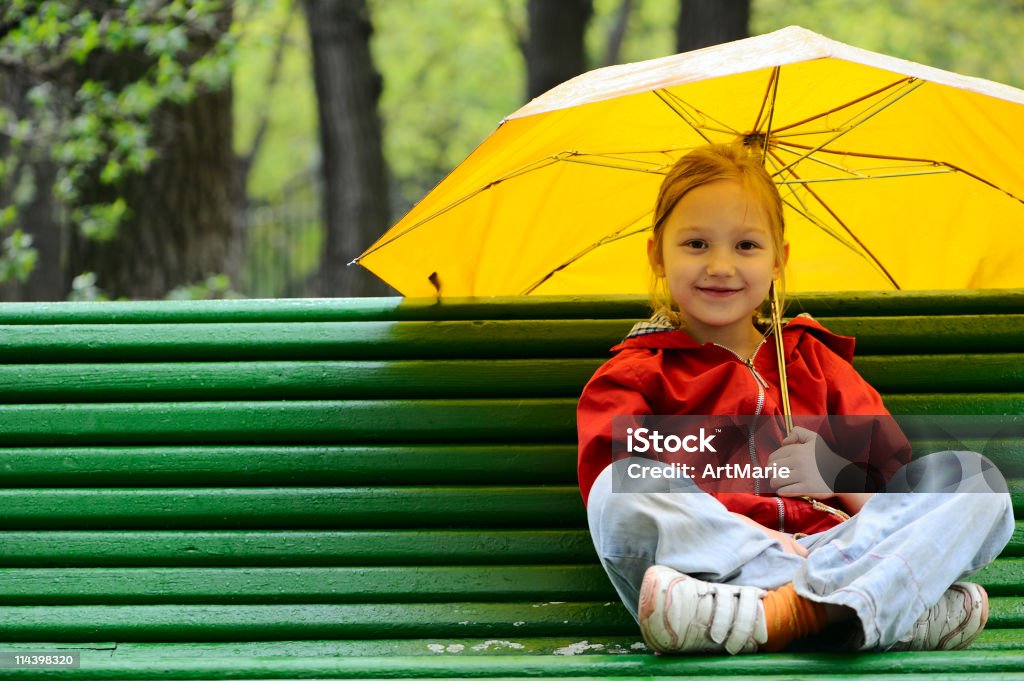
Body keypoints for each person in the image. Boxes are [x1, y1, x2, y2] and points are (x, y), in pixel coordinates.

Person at [576, 142, 1014, 655]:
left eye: (746, 246)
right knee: (619, 487)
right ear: (657, 254)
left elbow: (895, 499)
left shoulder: (815, 364)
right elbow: (621, 500)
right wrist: (746, 530)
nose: (721, 265)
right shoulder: (635, 375)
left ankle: (790, 613)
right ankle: (873, 605)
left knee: (976, 482)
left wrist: (836, 473)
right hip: (712, 578)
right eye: (696, 244)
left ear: (779, 259)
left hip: (835, 550)